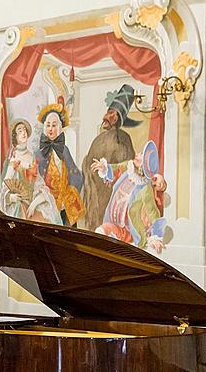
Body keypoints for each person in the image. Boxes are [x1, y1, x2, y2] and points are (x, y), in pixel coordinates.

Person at [91, 140, 168, 253]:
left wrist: (155, 237)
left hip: (127, 230)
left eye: (141, 155)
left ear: (144, 166)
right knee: (100, 231)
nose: (138, 153)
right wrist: (104, 168)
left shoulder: (145, 188)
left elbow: (152, 211)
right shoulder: (129, 167)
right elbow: (117, 168)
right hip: (112, 219)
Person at [80, 85, 138, 231]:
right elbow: (88, 164)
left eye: (112, 113)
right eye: (108, 112)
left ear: (118, 117)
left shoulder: (124, 139)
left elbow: (130, 166)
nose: (106, 117)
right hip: (96, 191)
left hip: (116, 191)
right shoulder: (98, 139)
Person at [34, 100, 84, 227]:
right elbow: (34, 180)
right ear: (45, 127)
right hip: (47, 203)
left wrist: (69, 194)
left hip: (65, 203)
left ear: (60, 128)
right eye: (48, 125)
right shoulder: (38, 153)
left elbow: (76, 174)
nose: (51, 129)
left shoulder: (64, 150)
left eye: (54, 125)